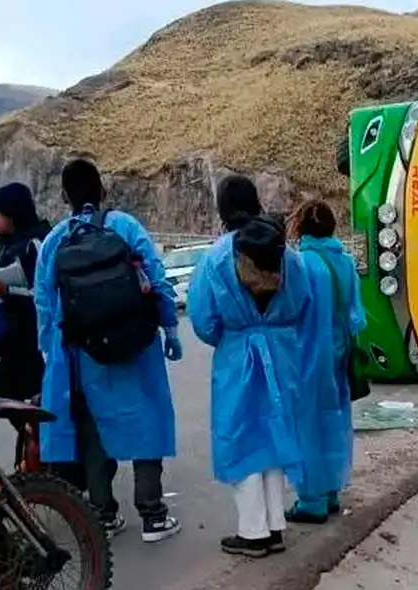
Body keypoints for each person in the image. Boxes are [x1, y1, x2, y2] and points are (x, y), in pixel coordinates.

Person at [34, 159, 183, 543]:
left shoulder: (55, 241)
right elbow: (158, 279)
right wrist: (169, 328)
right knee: (147, 419)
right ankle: (153, 515)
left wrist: (51, 354)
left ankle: (103, 514)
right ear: (103, 190)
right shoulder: (126, 226)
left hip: (84, 354)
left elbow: (45, 305)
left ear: (64, 196)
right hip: (137, 344)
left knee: (94, 430)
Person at [188, 175, 309, 558]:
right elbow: (303, 302)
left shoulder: (216, 256)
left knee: (240, 439)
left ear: (224, 209)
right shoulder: (288, 254)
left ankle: (252, 532)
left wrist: (234, 334)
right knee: (275, 438)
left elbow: (204, 320)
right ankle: (274, 526)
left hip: (239, 356)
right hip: (282, 352)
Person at [284, 200, 365, 524]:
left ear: (300, 228)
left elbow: (289, 310)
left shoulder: (302, 263)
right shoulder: (343, 262)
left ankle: (312, 499)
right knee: (334, 419)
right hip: (338, 352)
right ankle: (331, 488)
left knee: (307, 424)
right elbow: (356, 314)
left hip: (307, 355)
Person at [0, 182, 51, 406]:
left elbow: (47, 295)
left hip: (33, 342)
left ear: (13, 215)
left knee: (36, 405)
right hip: (9, 342)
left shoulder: (37, 244)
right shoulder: (3, 245)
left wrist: (9, 292)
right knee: (7, 399)